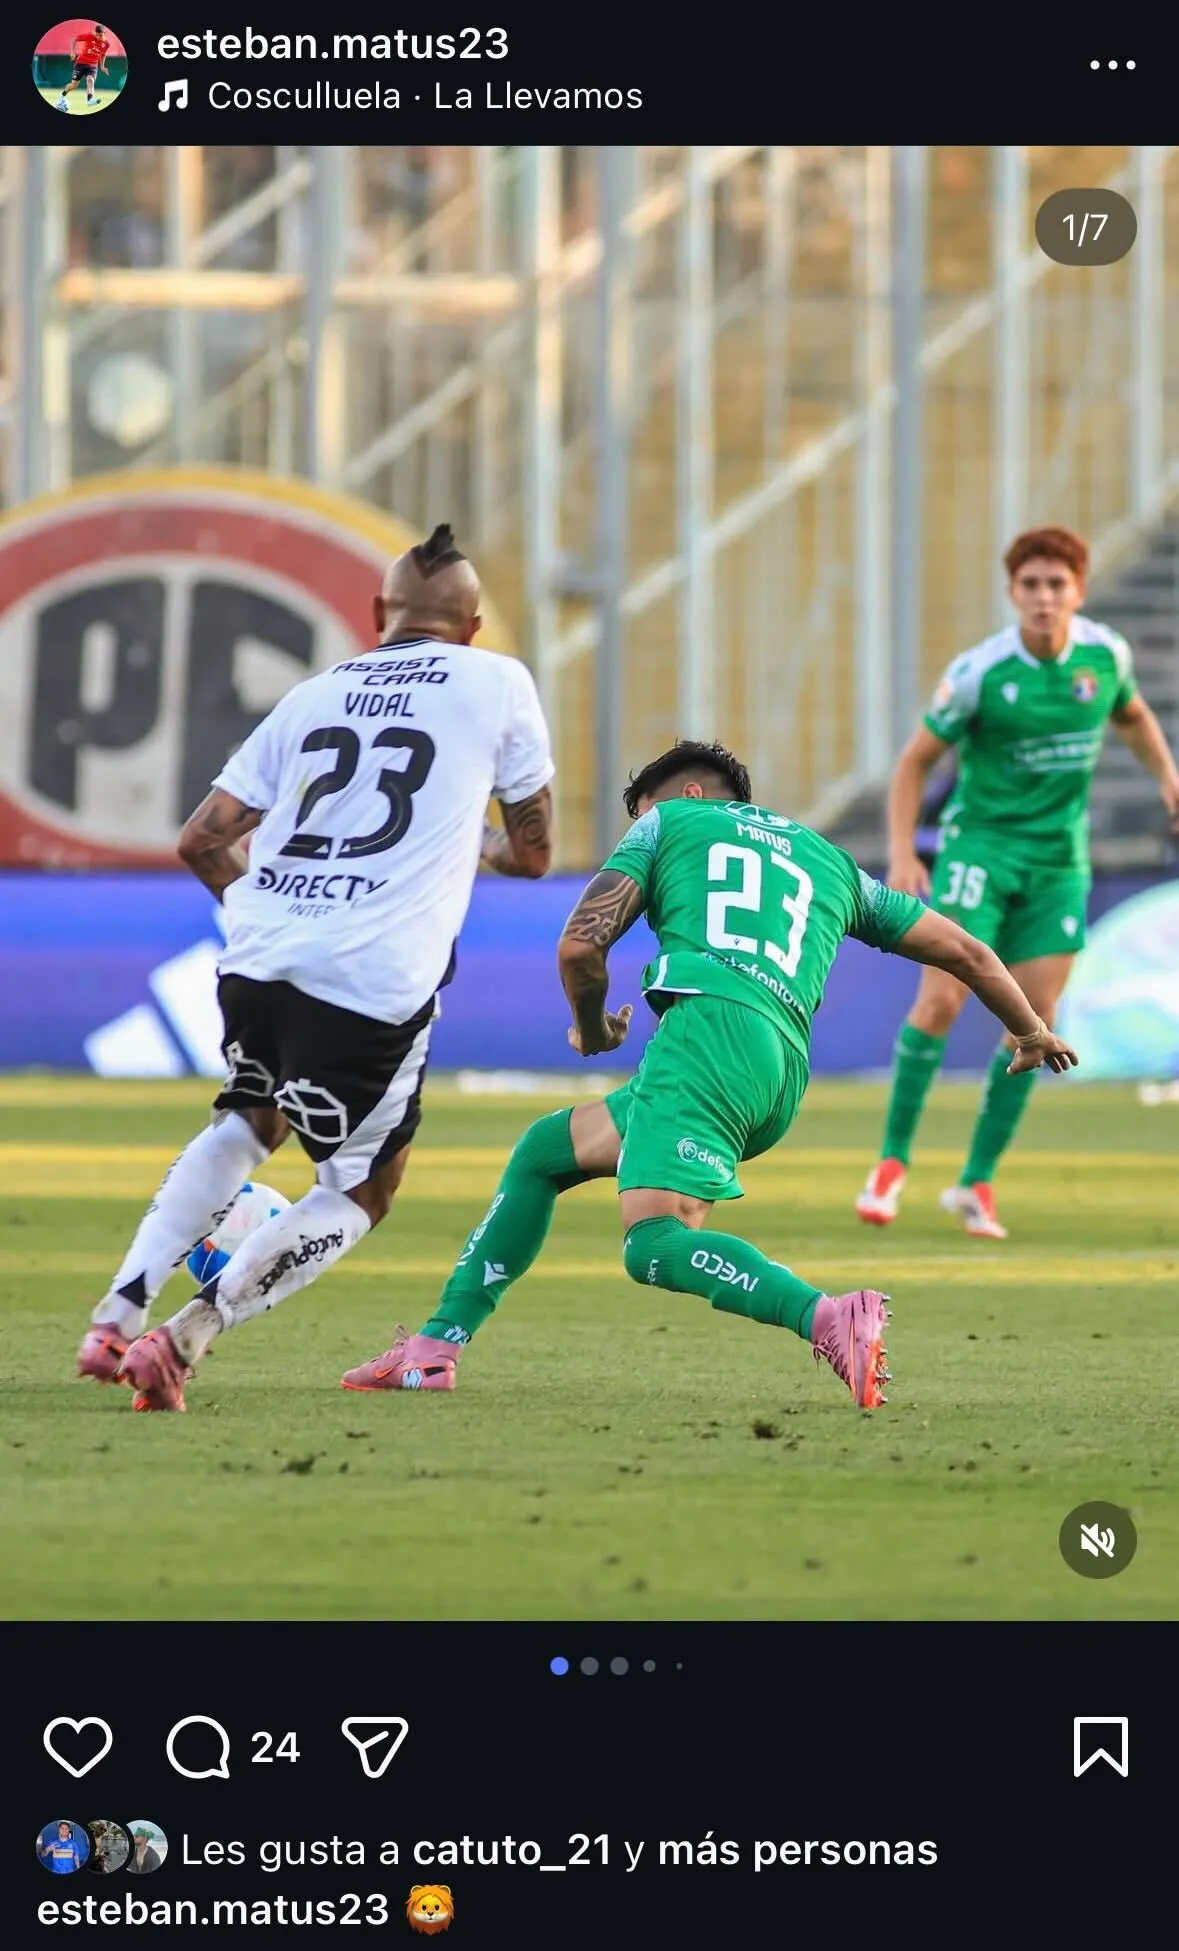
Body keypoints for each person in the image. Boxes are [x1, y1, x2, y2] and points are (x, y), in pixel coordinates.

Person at [342, 739, 1077, 1409]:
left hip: (706, 1039)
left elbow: (578, 949)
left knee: (654, 1241)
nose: (638, 827)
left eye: (640, 814)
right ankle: (434, 1349)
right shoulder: (830, 863)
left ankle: (829, 1316)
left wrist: (594, 1029)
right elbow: (967, 951)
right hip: (780, 1068)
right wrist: (1028, 1028)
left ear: (686, 797)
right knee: (545, 1151)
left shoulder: (667, 825)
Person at [76, 524, 554, 1411]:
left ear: (378, 615)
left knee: (248, 1119)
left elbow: (201, 838)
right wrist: (466, 837)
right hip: (372, 977)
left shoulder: (315, 692)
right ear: (475, 626)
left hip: (259, 956)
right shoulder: (496, 681)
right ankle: (184, 1337)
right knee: (365, 1184)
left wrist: (268, 916)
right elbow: (533, 852)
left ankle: (114, 1314)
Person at [856, 525, 1179, 1239]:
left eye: (1054, 584)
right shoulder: (980, 672)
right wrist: (903, 851)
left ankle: (975, 1181)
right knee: (939, 1000)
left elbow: (1130, 713)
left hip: (1058, 863)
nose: (1041, 597)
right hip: (980, 850)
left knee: (1033, 1021)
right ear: (1012, 593)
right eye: (1029, 585)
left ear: (1078, 592)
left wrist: (1166, 778)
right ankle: (889, 1162)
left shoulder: (1103, 656)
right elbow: (913, 762)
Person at [56, 25, 110, 112]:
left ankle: (90, 100)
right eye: (97, 35)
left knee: (90, 80)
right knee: (74, 85)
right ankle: (62, 96)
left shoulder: (106, 44)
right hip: (81, 63)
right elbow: (74, 39)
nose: (99, 37)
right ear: (95, 33)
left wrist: (102, 66)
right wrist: (72, 52)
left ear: (104, 34)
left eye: (101, 35)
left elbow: (103, 55)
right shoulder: (89, 36)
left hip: (92, 65)